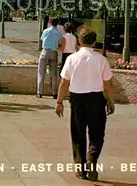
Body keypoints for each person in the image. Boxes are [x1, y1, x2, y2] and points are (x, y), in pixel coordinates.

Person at [55, 26, 115, 181]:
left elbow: (64, 82)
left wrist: (59, 101)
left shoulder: (72, 59)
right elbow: (108, 84)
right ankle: (92, 159)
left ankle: (80, 168)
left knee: (78, 134)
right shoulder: (101, 59)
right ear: (94, 41)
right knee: (97, 133)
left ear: (79, 41)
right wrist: (111, 101)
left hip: (77, 99)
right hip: (96, 99)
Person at [37, 17, 62, 99]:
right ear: (57, 23)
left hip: (45, 52)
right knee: (54, 74)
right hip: (54, 53)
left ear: (50, 22)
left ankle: (39, 92)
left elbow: (42, 40)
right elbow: (59, 43)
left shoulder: (46, 31)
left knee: (41, 72)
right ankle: (54, 93)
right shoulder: (59, 33)